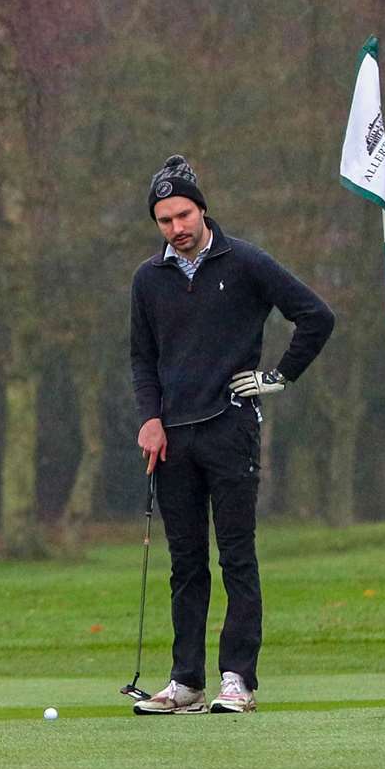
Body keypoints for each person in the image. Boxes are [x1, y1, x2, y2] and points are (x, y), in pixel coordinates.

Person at [129, 154, 334, 715]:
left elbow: (316, 316)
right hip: (172, 439)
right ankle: (185, 681)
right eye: (165, 220)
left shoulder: (245, 262)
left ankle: (237, 678)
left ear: (203, 209)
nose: (177, 228)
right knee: (186, 562)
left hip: (231, 430)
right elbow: (142, 360)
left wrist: (277, 377)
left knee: (236, 557)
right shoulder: (149, 279)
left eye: (184, 215)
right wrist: (149, 419)